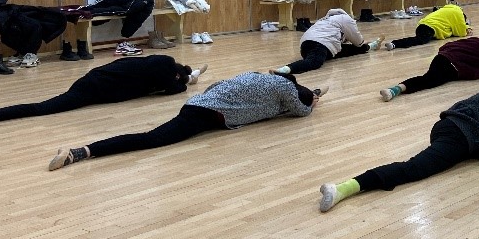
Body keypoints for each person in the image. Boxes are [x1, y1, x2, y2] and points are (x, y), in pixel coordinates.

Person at [318, 82, 479, 212]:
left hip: (447, 124)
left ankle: (345, 187)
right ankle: (343, 188)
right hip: (463, 137)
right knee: (414, 168)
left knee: (417, 164)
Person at [47, 72, 324, 170]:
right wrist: (310, 104)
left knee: (152, 137)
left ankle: (82, 151)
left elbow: (217, 85)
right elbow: (298, 111)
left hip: (198, 104)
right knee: (152, 139)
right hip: (204, 114)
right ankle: (79, 152)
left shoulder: (255, 76)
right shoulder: (287, 89)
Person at [0, 56, 207, 131]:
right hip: (92, 88)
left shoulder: (159, 65)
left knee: (43, 107)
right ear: (176, 74)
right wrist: (186, 81)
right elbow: (174, 89)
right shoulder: (164, 68)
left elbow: (171, 85)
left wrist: (185, 78)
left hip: (93, 80)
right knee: (43, 108)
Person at [379, 36, 479, 101]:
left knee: (428, 77)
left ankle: (397, 89)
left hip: (443, 56)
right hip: (452, 65)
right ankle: (395, 89)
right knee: (428, 80)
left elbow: (452, 43)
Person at [271, 8, 382, 75]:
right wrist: (362, 42)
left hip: (305, 45)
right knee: (314, 62)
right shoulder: (346, 19)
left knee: (344, 50)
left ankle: (372, 46)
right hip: (320, 44)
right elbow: (358, 42)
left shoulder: (325, 20)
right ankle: (284, 70)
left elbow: (338, 39)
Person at [383, 4, 470, 50]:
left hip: (423, 25)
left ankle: (394, 44)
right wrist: (466, 29)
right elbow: (460, 32)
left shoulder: (448, 9)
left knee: (419, 39)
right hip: (430, 28)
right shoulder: (458, 14)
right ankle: (395, 44)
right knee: (418, 40)